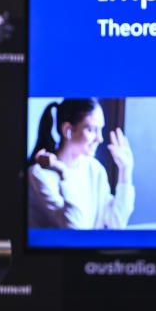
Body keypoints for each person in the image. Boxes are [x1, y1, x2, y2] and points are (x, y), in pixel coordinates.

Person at [27, 98, 134, 229]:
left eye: (100, 130)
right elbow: (74, 229)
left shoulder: (94, 169)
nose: (100, 139)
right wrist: (63, 173)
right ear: (68, 130)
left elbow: (116, 223)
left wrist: (125, 170)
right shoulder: (39, 175)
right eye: (92, 130)